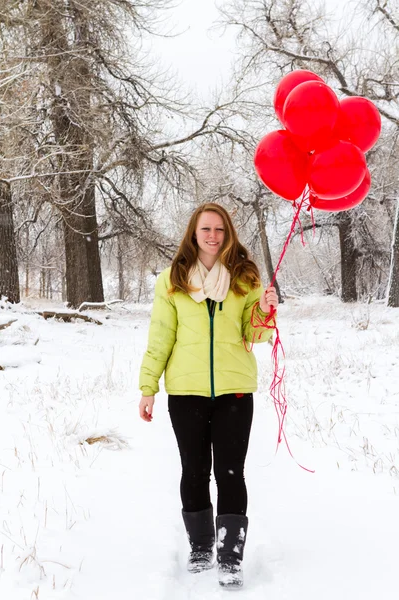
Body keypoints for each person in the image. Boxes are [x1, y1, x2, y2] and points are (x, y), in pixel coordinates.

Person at [138, 203, 278, 589]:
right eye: (206, 229)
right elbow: (161, 337)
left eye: (219, 229)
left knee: (231, 472)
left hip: (234, 390)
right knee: (194, 470)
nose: (213, 235)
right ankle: (201, 547)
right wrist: (148, 387)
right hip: (186, 392)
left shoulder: (244, 278)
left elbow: (255, 334)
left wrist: (265, 312)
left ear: (228, 232)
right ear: (194, 233)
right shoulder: (172, 280)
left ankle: (230, 555)